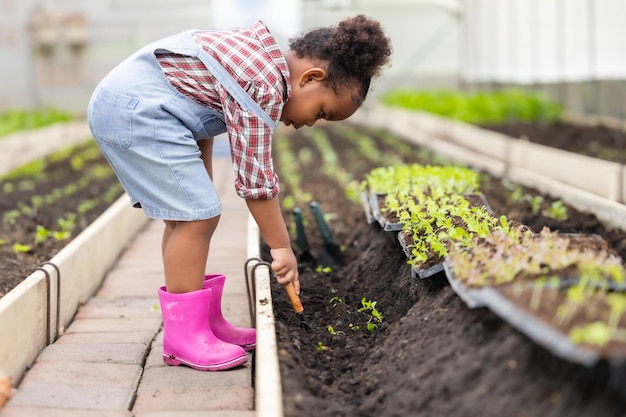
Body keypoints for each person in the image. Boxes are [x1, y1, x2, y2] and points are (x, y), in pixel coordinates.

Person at [87, 14, 392, 371]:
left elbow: (193, 105)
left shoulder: (259, 59)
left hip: (141, 107)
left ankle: (204, 323)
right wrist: (281, 247)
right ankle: (184, 337)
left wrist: (200, 184)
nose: (311, 122)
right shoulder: (263, 83)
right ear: (311, 78)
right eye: (321, 111)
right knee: (198, 216)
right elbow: (256, 180)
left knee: (190, 215)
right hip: (138, 112)